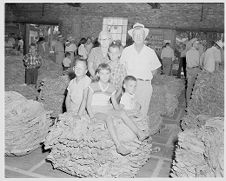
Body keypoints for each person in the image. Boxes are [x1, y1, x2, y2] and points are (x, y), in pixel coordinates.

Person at [86, 63, 147, 156]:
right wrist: (91, 117)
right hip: (96, 110)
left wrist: (122, 110)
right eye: (102, 73)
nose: (105, 76)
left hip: (106, 108)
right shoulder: (92, 86)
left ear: (110, 74)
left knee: (122, 113)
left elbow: (115, 104)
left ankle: (139, 133)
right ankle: (119, 146)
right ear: (98, 74)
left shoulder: (111, 87)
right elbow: (88, 104)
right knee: (108, 118)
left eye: (107, 73)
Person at [120, 23, 161, 116]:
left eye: (141, 35)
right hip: (129, 86)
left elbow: (155, 69)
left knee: (142, 113)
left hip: (144, 86)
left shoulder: (150, 52)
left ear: (144, 36)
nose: (138, 37)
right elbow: (122, 68)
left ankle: (141, 130)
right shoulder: (126, 51)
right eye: (136, 35)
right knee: (128, 112)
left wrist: (144, 79)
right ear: (132, 37)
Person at [185, 39, 201, 105]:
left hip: (189, 70)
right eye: (197, 44)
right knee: (196, 86)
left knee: (189, 87)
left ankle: (187, 103)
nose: (198, 45)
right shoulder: (197, 52)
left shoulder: (188, 52)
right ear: (194, 44)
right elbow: (198, 62)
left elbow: (187, 61)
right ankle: (194, 103)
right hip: (195, 70)